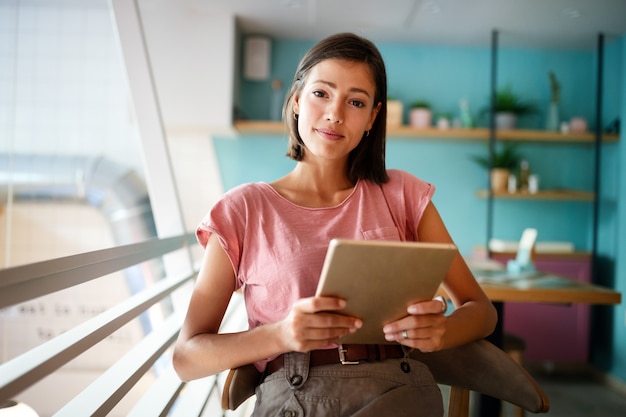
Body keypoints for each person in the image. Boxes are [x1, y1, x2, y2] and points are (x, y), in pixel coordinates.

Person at [173, 32, 497, 416]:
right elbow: (186, 357)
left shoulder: (404, 194)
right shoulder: (242, 208)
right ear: (296, 101)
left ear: (373, 118)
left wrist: (442, 331)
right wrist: (280, 334)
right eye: (321, 93)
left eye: (356, 101)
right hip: (295, 395)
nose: (335, 113)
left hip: (401, 390)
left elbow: (481, 310)